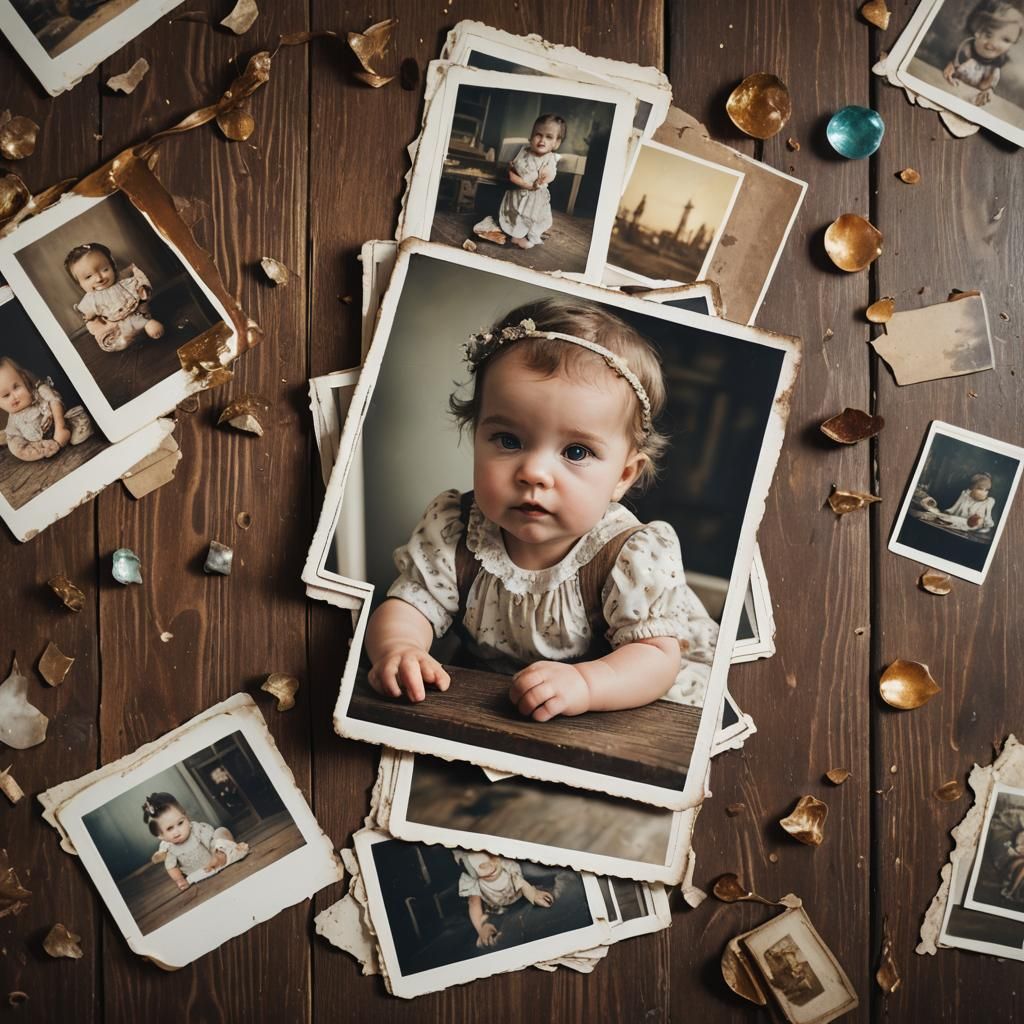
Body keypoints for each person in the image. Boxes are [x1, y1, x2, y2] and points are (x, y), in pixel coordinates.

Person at [365, 298, 718, 722]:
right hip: (497, 698)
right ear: (476, 435)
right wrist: (399, 647)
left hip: (616, 702)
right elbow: (412, 602)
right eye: (508, 440)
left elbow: (656, 659)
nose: (534, 473)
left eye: (575, 451)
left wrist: (587, 684)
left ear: (624, 476)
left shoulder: (630, 553)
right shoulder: (456, 528)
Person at [473, 114, 565, 250]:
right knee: (513, 216)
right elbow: (511, 175)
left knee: (533, 218)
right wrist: (523, 182)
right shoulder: (524, 151)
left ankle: (527, 236)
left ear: (556, 143)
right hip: (516, 194)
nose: (542, 140)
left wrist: (543, 178)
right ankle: (513, 233)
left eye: (549, 137)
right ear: (531, 136)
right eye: (538, 135)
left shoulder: (549, 159)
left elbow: (549, 176)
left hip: (534, 200)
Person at [65, 242, 164, 352]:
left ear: (112, 266)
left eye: (105, 270)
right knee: (108, 342)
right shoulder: (89, 300)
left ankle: (148, 326)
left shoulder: (123, 282)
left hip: (136, 316)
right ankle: (125, 339)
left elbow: (140, 285)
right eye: (88, 277)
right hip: (116, 327)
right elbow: (92, 322)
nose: (99, 279)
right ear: (80, 284)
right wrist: (91, 319)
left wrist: (142, 290)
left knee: (151, 325)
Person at [142, 792, 249, 892]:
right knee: (171, 863)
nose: (177, 831)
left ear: (186, 817)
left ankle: (221, 856)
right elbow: (171, 867)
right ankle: (221, 856)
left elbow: (211, 842)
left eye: (180, 823)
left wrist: (215, 852)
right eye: (170, 829)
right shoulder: (169, 848)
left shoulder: (196, 830)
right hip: (197, 872)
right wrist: (180, 880)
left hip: (214, 858)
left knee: (220, 832)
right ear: (161, 836)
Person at [453, 850, 555, 948]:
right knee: (489, 928)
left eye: (491, 859)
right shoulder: (470, 879)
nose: (490, 866)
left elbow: (520, 882)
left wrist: (533, 895)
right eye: (482, 865)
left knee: (535, 875)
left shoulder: (505, 863)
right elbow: (474, 903)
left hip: (521, 896)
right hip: (498, 909)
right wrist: (480, 929)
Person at [0, 356, 93, 461]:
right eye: (6, 395)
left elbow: (55, 401)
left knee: (76, 425)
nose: (14, 396)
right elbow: (16, 445)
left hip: (61, 425)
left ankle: (74, 425)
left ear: (24, 379)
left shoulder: (39, 393)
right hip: (43, 444)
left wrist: (60, 428)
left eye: (16, 387)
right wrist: (40, 451)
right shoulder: (12, 424)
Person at [943, 0, 1024, 107]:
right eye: (988, 34)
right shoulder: (966, 49)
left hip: (970, 101)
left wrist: (988, 91)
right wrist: (950, 67)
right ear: (976, 29)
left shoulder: (995, 67)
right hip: (949, 90)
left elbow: (987, 86)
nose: (993, 43)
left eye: (1006, 40)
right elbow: (954, 63)